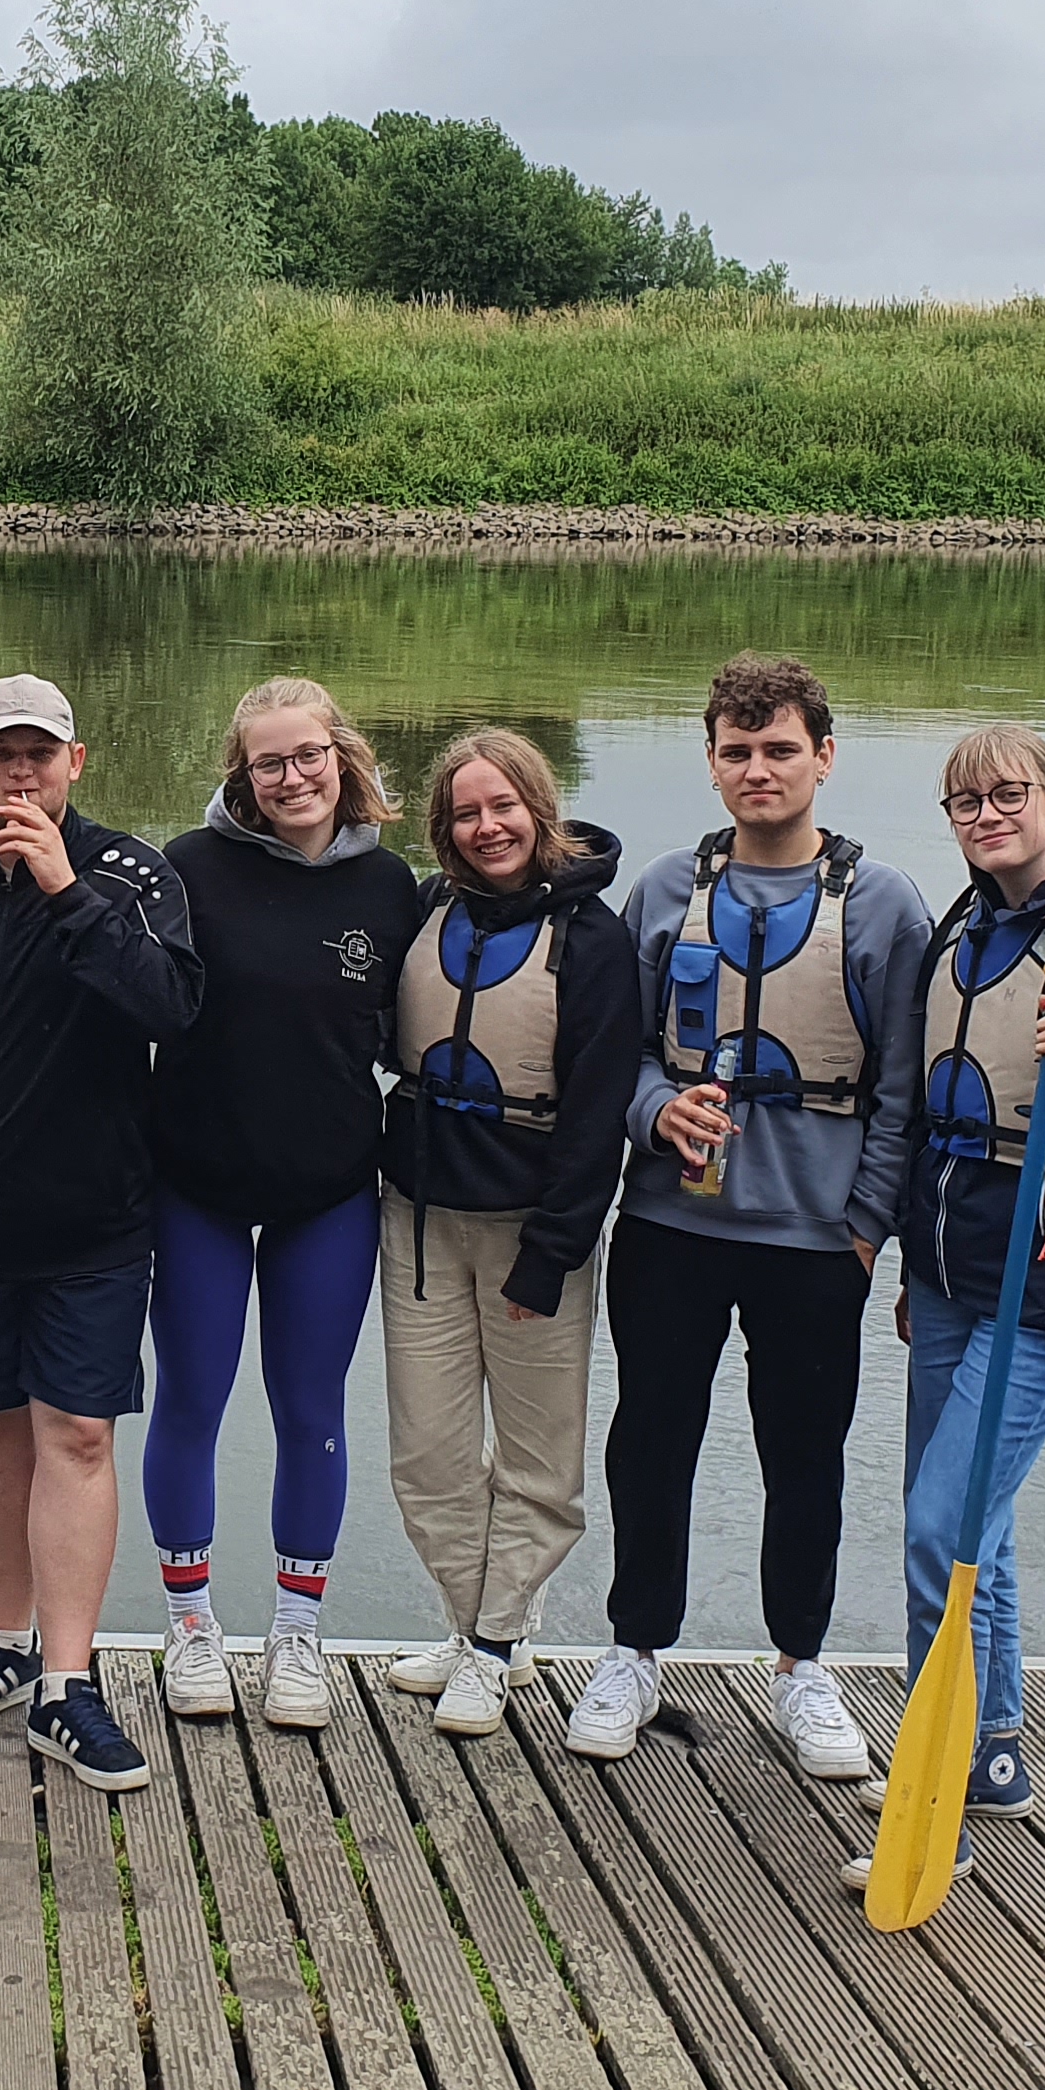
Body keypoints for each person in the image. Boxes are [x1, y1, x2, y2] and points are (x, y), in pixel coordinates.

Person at [576, 654, 932, 1772]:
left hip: (814, 1243)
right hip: (671, 1231)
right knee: (650, 1444)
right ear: (713, 762)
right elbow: (618, 1055)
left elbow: (902, 1093)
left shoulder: (882, 905)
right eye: (737, 751)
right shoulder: (668, 891)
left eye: (781, 749)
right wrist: (651, 1112)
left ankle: (802, 1664)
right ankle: (636, 1650)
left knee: (805, 1457)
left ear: (824, 756)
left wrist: (866, 1229)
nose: (758, 769)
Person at [847, 721, 1045, 1893]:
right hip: (945, 1277)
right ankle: (993, 1754)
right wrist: (903, 1262)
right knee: (972, 1526)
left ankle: (943, 1786)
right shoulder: (967, 923)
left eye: (1006, 796)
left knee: (942, 1528)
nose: (985, 817)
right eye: (963, 803)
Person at [0, 674, 201, 1793]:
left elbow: (169, 1007)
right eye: (0, 755)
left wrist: (66, 894)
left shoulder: (129, 874)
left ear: (78, 763)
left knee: (79, 1434)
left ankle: (70, 1681)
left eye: (41, 754)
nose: (21, 773)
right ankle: (5, 1644)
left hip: (95, 1218)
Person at [144, 677, 420, 1730]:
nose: (294, 776)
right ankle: (191, 1624)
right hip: (199, 1185)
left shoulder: (395, 888)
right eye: (271, 763)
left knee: (311, 1413)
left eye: (309, 755)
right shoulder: (187, 869)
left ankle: (297, 1634)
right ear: (243, 778)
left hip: (328, 1192)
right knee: (192, 1400)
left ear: (342, 757)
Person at [377, 727, 631, 1740]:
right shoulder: (425, 913)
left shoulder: (595, 942)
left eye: (503, 807)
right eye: (465, 814)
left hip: (536, 1230)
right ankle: (478, 1624)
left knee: (536, 1462)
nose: (487, 828)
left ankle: (492, 1644)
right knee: (429, 1454)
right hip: (422, 1220)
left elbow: (601, 1109)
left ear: (540, 808)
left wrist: (554, 1250)